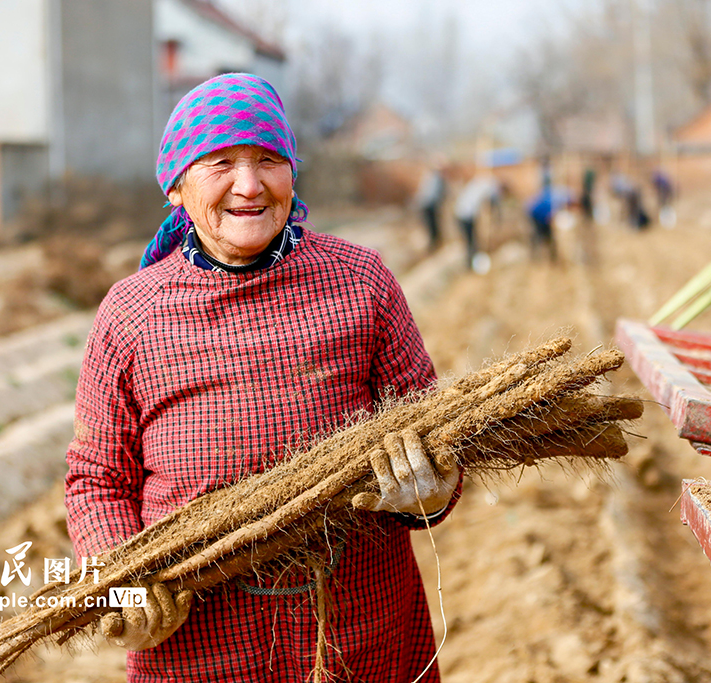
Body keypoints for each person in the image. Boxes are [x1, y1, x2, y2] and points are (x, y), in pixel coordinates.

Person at [64, 73, 460, 682]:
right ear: (176, 186)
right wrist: (121, 582)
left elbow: (435, 433)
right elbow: (98, 478)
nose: (249, 185)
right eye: (221, 162)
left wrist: (430, 490)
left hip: (361, 633)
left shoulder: (360, 280)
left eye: (268, 160)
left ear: (292, 174)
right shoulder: (132, 313)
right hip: (199, 649)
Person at [454, 174, 501, 271]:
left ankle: (471, 262)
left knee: (470, 240)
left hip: (462, 212)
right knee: (470, 241)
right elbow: (493, 202)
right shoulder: (490, 187)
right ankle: (471, 264)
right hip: (465, 214)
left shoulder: (479, 184)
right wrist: (496, 217)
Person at [525, 183, 572, 263]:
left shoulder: (559, 197)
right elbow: (548, 216)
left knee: (546, 237)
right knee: (540, 236)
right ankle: (538, 257)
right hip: (536, 216)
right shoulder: (556, 202)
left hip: (539, 214)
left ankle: (548, 256)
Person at [414, 164, 446, 252]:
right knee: (430, 225)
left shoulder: (437, 179)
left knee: (433, 225)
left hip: (431, 205)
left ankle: (436, 242)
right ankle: (434, 241)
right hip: (427, 205)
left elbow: (436, 194)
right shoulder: (430, 178)